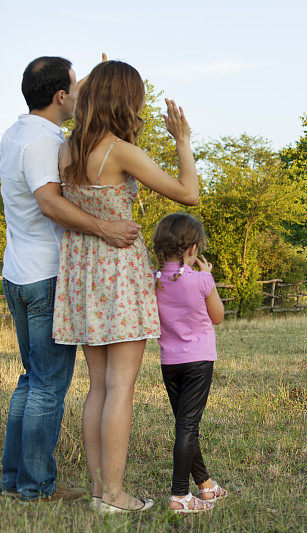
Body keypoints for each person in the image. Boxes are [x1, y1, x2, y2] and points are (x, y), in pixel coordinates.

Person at [52, 60, 200, 513]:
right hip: (117, 268)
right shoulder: (120, 151)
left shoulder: (67, 150)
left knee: (98, 386)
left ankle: (100, 493)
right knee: (121, 387)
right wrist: (183, 140)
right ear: (123, 100)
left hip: (81, 268)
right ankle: (114, 496)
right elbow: (188, 193)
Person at [0, 56, 139, 502]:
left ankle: (13, 477)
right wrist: (107, 227)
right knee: (48, 385)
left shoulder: (14, 134)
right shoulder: (44, 141)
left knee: (31, 378)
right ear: (61, 96)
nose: (80, 95)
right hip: (45, 273)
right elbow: (50, 204)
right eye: (76, 88)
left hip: (17, 271)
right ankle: (36, 488)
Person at [151, 213, 227, 513]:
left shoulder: (153, 281)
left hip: (169, 362)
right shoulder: (202, 279)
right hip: (199, 361)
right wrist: (207, 276)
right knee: (188, 426)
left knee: (186, 425)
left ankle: (205, 485)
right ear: (193, 249)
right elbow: (218, 317)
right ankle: (179, 495)